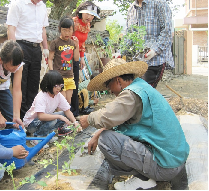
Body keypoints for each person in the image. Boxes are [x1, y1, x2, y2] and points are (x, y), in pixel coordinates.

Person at [79, 58, 189, 190]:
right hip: (174, 159)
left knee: (106, 140)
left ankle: (144, 179)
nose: (111, 92)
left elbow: (107, 115)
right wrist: (97, 133)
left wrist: (88, 119)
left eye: (109, 87)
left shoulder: (131, 95)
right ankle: (146, 176)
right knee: (105, 134)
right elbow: (119, 119)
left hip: (165, 166)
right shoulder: (141, 87)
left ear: (118, 81)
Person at [119, 0, 174, 88]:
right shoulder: (131, 10)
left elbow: (167, 31)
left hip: (156, 60)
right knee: (136, 93)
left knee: (144, 91)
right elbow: (129, 34)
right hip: (138, 61)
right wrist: (120, 52)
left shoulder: (159, 3)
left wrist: (155, 50)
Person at [6, 0, 51, 120]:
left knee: (33, 86)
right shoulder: (18, 4)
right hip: (21, 47)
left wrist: (45, 48)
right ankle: (18, 119)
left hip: (36, 49)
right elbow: (11, 29)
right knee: (20, 85)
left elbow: (43, 29)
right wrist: (14, 51)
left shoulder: (43, 7)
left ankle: (29, 120)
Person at [23, 70, 82, 146]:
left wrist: (75, 122)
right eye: (56, 86)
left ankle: (47, 135)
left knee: (65, 114)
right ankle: (38, 137)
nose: (59, 88)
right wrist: (59, 116)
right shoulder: (42, 96)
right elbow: (41, 116)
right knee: (54, 119)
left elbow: (67, 110)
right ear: (49, 85)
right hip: (31, 123)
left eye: (60, 85)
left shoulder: (58, 95)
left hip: (42, 120)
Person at [70, 1, 101, 118]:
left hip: (77, 57)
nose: (90, 17)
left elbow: (82, 44)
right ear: (81, 12)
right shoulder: (73, 22)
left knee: (75, 82)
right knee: (69, 84)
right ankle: (70, 111)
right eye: (88, 14)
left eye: (93, 15)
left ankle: (77, 110)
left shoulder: (87, 26)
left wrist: (82, 58)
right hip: (67, 57)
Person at [48, 16, 79, 104]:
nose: (67, 33)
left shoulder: (72, 43)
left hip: (70, 76)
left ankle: (64, 117)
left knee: (68, 102)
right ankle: (60, 117)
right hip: (59, 77)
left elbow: (76, 59)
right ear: (59, 29)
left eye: (69, 30)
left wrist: (77, 46)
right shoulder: (55, 42)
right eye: (64, 30)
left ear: (73, 30)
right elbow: (50, 59)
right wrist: (51, 72)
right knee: (61, 102)